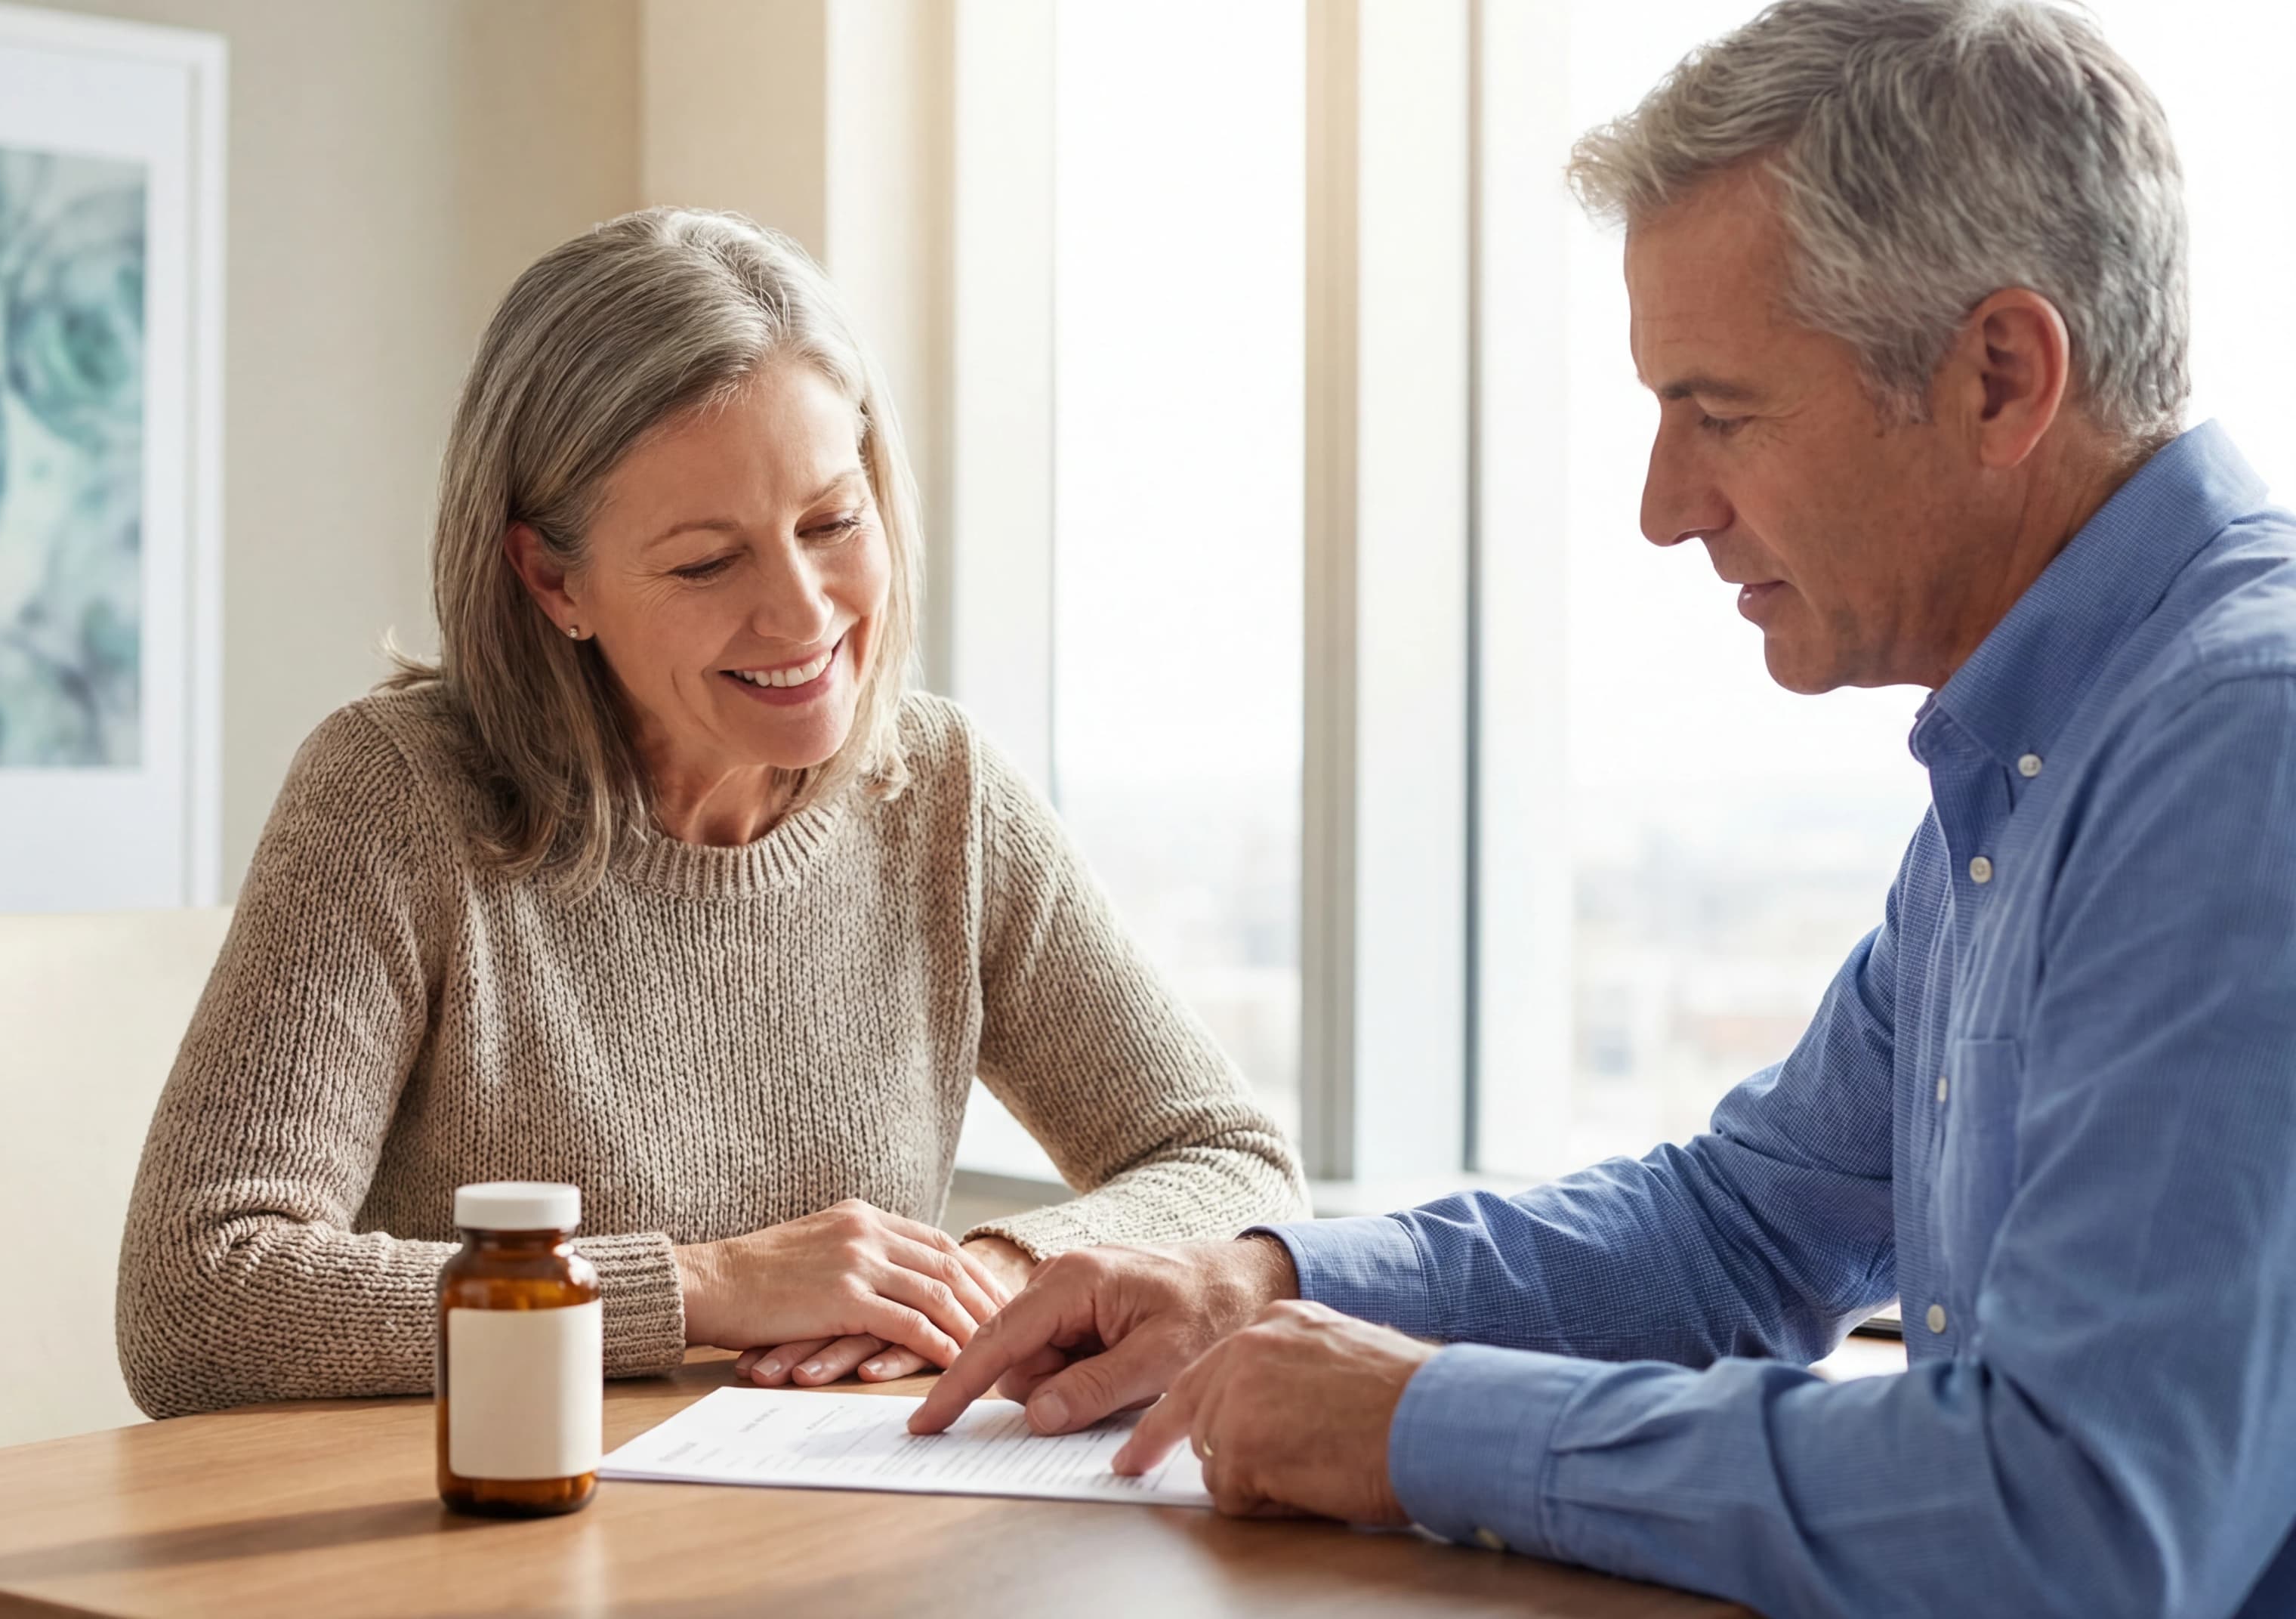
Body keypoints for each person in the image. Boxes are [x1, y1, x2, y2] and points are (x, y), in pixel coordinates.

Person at [915, 3, 2296, 1614]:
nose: (1665, 508)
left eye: (1720, 415)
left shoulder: (2236, 747)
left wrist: (1426, 1424)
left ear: (2001, 375)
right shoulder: (2042, 755)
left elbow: (2069, 1522)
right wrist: (1260, 1285)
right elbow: (1738, 1231)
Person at [117, 208, 1305, 1417]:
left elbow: (1234, 1166)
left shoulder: (944, 795)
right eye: (705, 563)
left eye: (834, 523)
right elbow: (198, 1300)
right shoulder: (397, 798)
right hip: (490, 1542)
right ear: (552, 578)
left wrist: (992, 1274)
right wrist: (706, 1287)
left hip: (827, 1538)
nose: (802, 617)